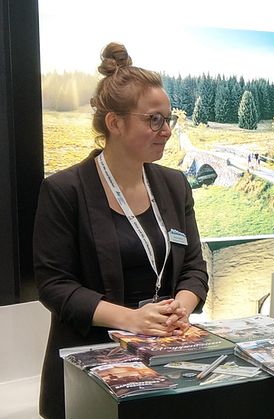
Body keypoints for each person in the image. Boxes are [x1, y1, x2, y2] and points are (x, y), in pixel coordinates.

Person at [33, 42, 208, 419]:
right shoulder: (65, 191)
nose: (165, 130)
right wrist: (131, 319)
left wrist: (182, 306)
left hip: (165, 364)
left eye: (169, 119)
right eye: (154, 120)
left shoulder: (175, 185)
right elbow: (55, 286)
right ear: (115, 122)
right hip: (90, 373)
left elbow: (194, 265)